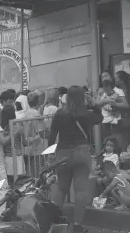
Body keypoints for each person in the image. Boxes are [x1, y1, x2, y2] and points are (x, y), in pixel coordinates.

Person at [48, 86, 103, 233]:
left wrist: (51, 153)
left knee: (62, 189)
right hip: (81, 152)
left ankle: (54, 222)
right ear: (82, 98)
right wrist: (95, 105)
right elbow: (100, 119)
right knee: (80, 190)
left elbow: (52, 135)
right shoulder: (86, 114)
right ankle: (77, 224)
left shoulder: (60, 113)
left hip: (63, 153)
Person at [18, 92, 46, 177]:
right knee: (37, 175)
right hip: (36, 148)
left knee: (29, 174)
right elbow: (41, 132)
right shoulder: (36, 114)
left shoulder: (25, 113)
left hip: (26, 148)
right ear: (37, 101)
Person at [1, 105, 25, 186]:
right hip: (18, 158)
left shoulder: (1, 128)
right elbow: (24, 142)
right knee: (20, 185)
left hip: (7, 158)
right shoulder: (18, 124)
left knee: (10, 185)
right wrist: (35, 138)